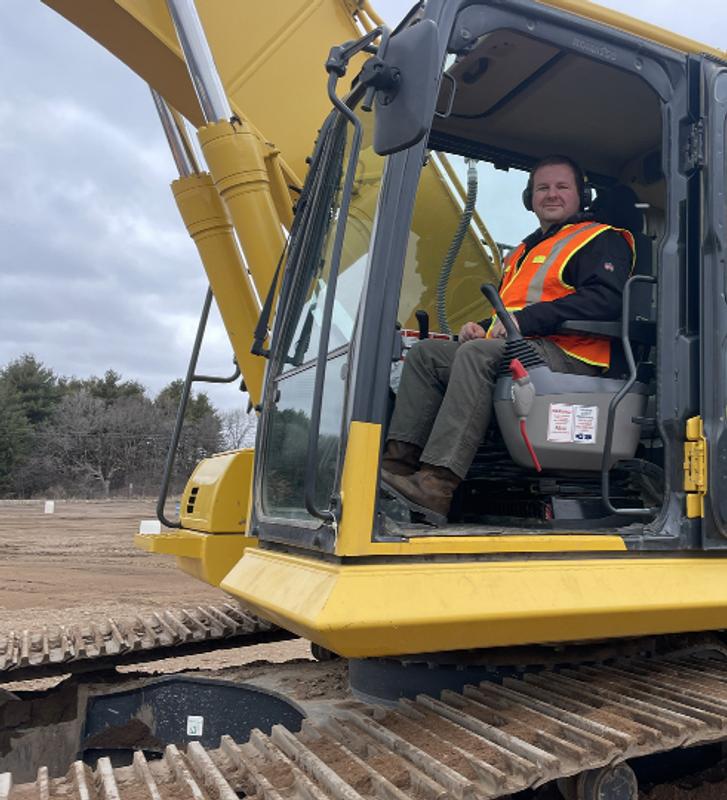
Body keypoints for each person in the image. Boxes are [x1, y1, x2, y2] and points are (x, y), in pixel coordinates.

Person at [382, 154, 636, 524]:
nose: (551, 194)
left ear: (582, 194)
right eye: (542, 188)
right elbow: (513, 308)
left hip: (574, 355)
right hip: (527, 346)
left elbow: (605, 301)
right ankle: (396, 468)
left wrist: (521, 322)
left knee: (478, 357)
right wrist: (482, 327)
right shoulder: (522, 252)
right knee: (425, 355)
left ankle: (436, 484)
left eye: (562, 187)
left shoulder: (602, 239)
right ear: (529, 198)